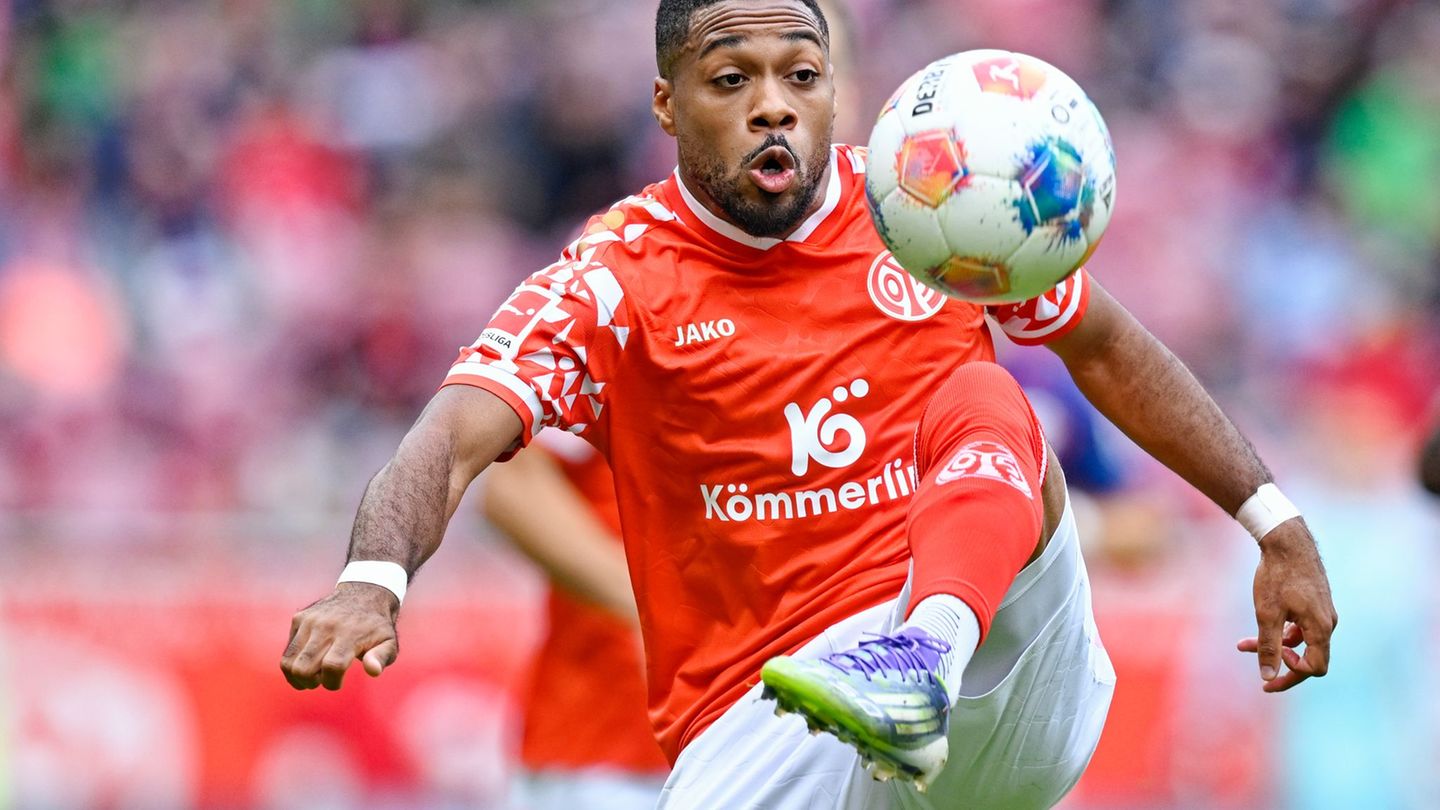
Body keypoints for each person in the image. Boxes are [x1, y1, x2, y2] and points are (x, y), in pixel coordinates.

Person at [281, 1, 1337, 807]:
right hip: (769, 715)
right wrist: (374, 577)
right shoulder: (615, 280)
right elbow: (457, 432)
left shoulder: (933, 207)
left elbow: (1103, 346)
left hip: (995, 680)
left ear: (835, 89)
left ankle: (918, 657)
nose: (772, 102)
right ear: (667, 104)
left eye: (800, 73)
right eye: (730, 77)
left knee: (980, 390)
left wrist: (1273, 524)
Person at [480, 430, 669, 809]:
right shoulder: (616, 367)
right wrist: (657, 614)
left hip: (756, 739)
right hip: (610, 750)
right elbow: (513, 487)